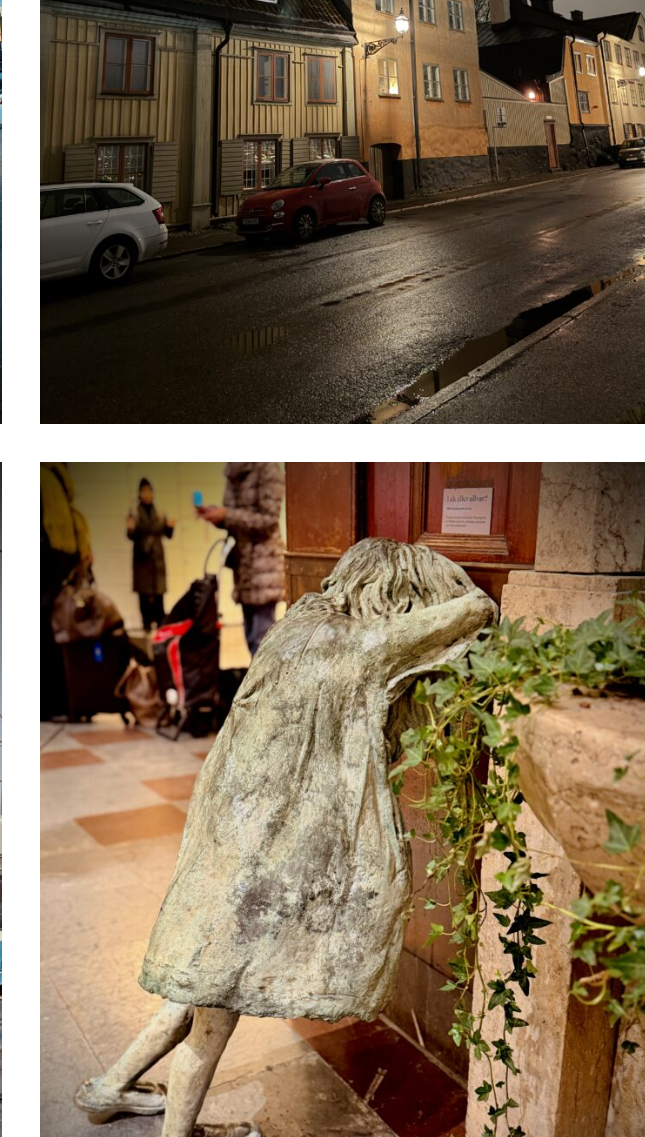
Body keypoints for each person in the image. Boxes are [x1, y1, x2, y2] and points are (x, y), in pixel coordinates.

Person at [74, 540, 495, 1137]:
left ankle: (107, 1088)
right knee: (214, 1015)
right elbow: (472, 610)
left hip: (225, 835)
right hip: (263, 858)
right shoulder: (364, 646)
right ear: (393, 594)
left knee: (202, 985)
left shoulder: (297, 623)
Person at [195, 462, 284, 659]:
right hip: (243, 566)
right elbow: (238, 519)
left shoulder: (267, 467)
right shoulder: (233, 470)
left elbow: (269, 519)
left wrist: (228, 514)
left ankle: (268, 688)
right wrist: (219, 517)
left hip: (263, 565)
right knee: (251, 637)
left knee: (262, 641)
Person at [41, 464, 94, 719]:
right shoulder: (59, 480)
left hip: (48, 563)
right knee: (61, 636)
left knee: (46, 635)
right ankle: (71, 701)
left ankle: (50, 703)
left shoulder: (42, 476)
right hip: (65, 564)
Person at [126, 478, 175, 631]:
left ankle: (160, 627)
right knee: (144, 596)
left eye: (149, 491)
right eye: (143, 491)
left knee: (159, 595)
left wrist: (169, 527)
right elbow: (130, 535)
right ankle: (146, 626)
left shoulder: (159, 512)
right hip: (142, 559)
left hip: (157, 559)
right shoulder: (135, 513)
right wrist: (131, 528)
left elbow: (167, 534)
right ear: (139, 494)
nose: (147, 494)